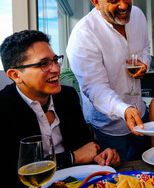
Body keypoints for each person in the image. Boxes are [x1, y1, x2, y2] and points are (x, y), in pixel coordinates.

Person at [0, 30, 120, 188]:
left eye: (55, 60)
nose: (56, 69)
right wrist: (72, 158)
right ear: (16, 75)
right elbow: (14, 171)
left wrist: (100, 156)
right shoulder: (3, 108)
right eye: (44, 64)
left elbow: (85, 144)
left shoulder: (67, 97)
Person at [66, 0, 151, 161]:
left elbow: (146, 47)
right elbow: (95, 88)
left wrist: (145, 63)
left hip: (141, 113)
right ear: (96, 2)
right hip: (108, 129)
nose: (123, 5)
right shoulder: (83, 35)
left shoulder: (137, 14)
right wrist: (124, 110)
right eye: (114, 0)